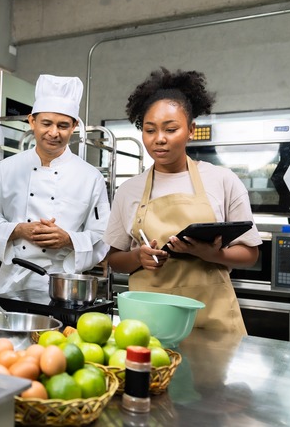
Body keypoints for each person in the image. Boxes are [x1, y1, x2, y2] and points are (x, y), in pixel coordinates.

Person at [103, 67, 261, 334]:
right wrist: (139, 257)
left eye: (171, 129)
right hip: (149, 322)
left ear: (190, 130)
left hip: (211, 319)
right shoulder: (129, 189)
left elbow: (250, 254)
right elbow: (114, 259)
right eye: (150, 130)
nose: (159, 139)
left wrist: (213, 254)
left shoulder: (222, 180)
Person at [0, 74, 110, 294]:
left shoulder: (91, 177)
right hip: (11, 281)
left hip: (62, 286)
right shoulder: (5, 169)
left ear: (74, 126)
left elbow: (102, 236)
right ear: (32, 121)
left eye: (63, 125)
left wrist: (68, 239)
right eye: (46, 123)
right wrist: (18, 230)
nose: (54, 133)